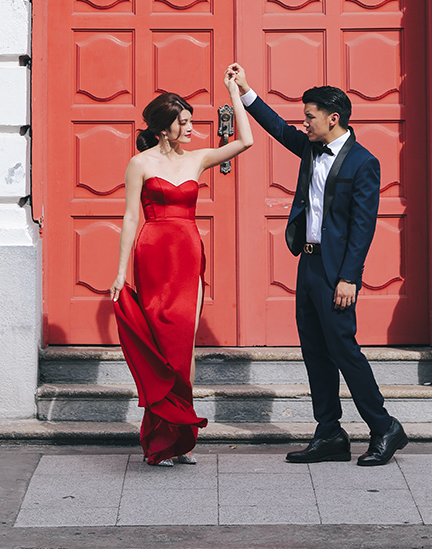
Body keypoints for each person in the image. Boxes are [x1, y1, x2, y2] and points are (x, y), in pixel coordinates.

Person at [224, 63, 408, 468]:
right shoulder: (309, 147)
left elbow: (362, 228)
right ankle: (329, 433)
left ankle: (383, 427)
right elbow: (277, 128)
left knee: (344, 350)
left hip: (335, 272)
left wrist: (349, 278)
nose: (303, 123)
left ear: (333, 118)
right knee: (313, 351)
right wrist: (246, 90)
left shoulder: (363, 163)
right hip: (306, 266)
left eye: (309, 116)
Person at [110, 78, 253, 466]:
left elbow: (245, 142)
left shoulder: (198, 158)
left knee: (183, 347)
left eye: (191, 121)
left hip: (189, 254)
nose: (191, 128)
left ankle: (181, 437)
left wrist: (234, 95)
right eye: (183, 122)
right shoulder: (140, 163)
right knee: (162, 346)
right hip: (154, 254)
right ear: (163, 128)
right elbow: (128, 217)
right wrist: (120, 271)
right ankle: (161, 436)